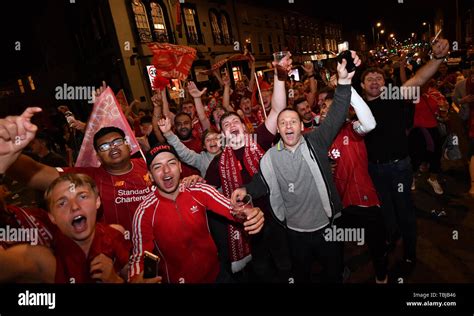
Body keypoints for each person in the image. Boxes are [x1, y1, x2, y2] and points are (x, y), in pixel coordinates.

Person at [231, 51, 361, 283]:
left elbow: (338, 113)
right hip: (295, 234)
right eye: (283, 123)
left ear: (302, 125)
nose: (288, 125)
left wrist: (343, 82)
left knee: (334, 274)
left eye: (293, 121)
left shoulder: (317, 142)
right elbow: (263, 182)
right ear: (278, 130)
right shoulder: (270, 156)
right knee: (302, 276)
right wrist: (246, 190)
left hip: (327, 228)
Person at [361, 39, 450, 273]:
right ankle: (392, 240)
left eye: (378, 78)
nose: (374, 81)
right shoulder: (357, 107)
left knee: (405, 213)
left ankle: (410, 254)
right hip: (375, 170)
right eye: (369, 78)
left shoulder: (393, 96)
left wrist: (438, 57)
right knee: (385, 213)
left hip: (399, 168)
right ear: (361, 85)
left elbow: (419, 79)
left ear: (385, 83)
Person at [205, 54, 293, 282]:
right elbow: (208, 197)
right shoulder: (216, 165)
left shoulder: (261, 139)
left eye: (235, 122)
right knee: (261, 269)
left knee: (286, 263)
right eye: (226, 125)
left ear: (244, 127)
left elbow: (277, 110)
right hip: (249, 226)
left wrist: (280, 76)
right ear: (222, 134)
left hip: (277, 215)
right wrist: (191, 181)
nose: (231, 125)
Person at [129, 144, 264, 283]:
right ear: (150, 176)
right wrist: (137, 276)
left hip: (216, 275)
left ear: (180, 167)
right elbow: (139, 256)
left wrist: (251, 214)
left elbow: (233, 209)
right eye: (158, 167)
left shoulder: (198, 190)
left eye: (171, 163)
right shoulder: (144, 211)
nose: (166, 171)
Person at [7, 126, 153, 236]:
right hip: (120, 259)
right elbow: (32, 172)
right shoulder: (87, 178)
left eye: (117, 141)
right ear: (98, 157)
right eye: (104, 146)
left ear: (128, 144)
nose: (113, 147)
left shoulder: (150, 164)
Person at [0, 174, 133, 283]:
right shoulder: (46, 258)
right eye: (62, 203)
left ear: (97, 202)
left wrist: (115, 281)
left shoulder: (114, 235)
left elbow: (132, 275)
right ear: (52, 217)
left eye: (82, 196)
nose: (74, 206)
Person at [322, 87, 388, 283]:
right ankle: (339, 273)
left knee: (377, 244)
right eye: (324, 107)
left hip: (363, 200)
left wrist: (347, 86)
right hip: (338, 204)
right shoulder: (317, 137)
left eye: (332, 107)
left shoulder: (352, 129)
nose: (326, 111)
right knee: (334, 245)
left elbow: (370, 123)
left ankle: (381, 277)